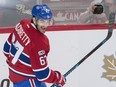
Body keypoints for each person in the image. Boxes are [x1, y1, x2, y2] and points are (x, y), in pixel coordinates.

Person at [3, 4, 66, 87]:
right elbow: (43, 74)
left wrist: (16, 66)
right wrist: (58, 78)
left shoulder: (22, 24)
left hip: (15, 75)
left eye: (47, 21)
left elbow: (6, 49)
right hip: (28, 80)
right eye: (42, 21)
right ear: (34, 19)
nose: (45, 25)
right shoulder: (40, 41)